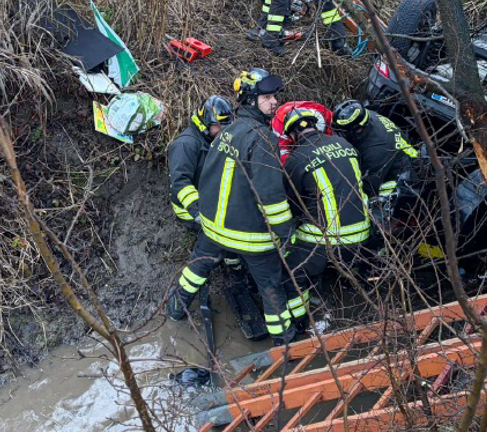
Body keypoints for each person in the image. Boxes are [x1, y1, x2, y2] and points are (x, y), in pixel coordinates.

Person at [165, 69, 298, 344]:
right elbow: (270, 193)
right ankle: (286, 345)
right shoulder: (262, 138)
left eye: (275, 96)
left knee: (196, 269)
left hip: (214, 229)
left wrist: (207, 217)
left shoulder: (228, 133)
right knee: (271, 289)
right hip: (251, 237)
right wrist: (285, 233)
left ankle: (175, 310)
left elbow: (209, 179)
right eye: (268, 96)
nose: (274, 102)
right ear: (251, 99)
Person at [280, 106, 371, 328]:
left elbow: (293, 205)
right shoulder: (346, 145)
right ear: (316, 125)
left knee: (292, 278)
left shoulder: (296, 160)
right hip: (363, 232)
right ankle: (355, 287)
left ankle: (302, 322)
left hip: (326, 237)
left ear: (291, 135)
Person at [332, 101, 423, 232]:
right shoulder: (366, 117)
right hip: (395, 159)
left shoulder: (376, 150)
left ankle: (382, 235)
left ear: (358, 129)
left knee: (374, 208)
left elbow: (368, 186)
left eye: (344, 132)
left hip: (405, 175)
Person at [168, 95, 235, 227]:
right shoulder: (185, 145)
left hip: (209, 200)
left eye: (227, 125)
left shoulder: (212, 139)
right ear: (205, 124)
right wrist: (198, 211)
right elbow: (180, 182)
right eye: (218, 126)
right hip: (189, 211)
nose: (224, 131)